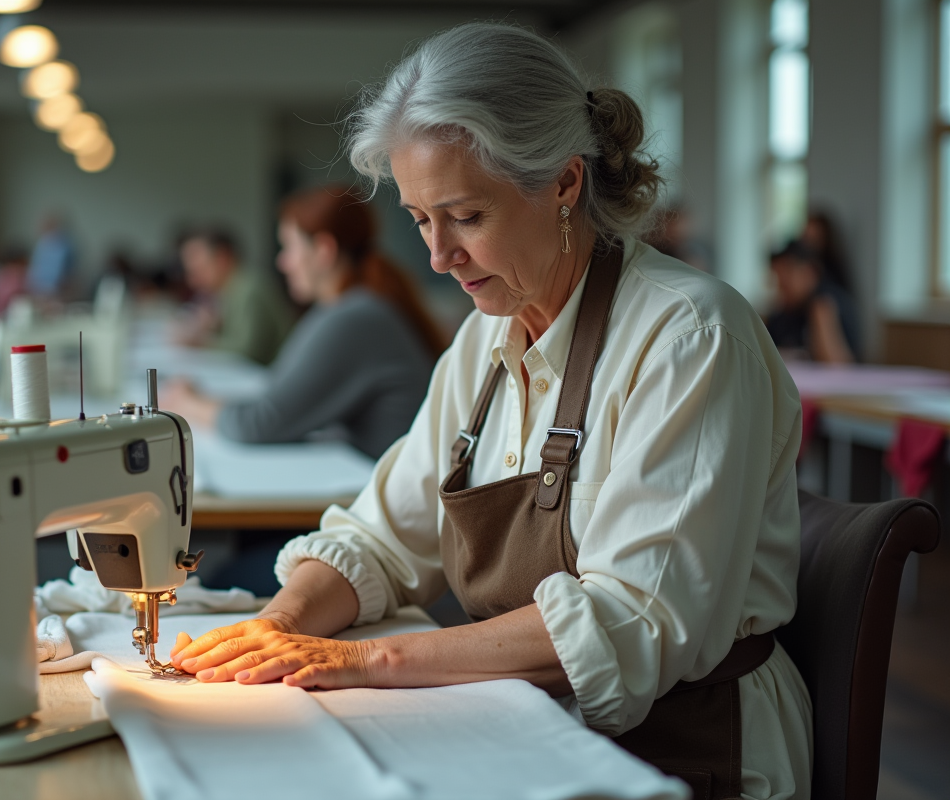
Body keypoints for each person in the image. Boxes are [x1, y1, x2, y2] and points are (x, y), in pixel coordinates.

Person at [167, 23, 811, 800]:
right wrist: (284, 623)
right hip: (537, 724)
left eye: (466, 216)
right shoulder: (488, 338)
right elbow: (379, 536)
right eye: (419, 220)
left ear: (565, 184)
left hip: (687, 753)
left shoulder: (687, 338)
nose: (438, 256)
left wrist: (369, 660)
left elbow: (630, 624)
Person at [162, 186, 443, 459]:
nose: (283, 262)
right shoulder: (356, 308)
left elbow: (260, 423)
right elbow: (276, 402)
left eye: (289, 248)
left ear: (323, 250)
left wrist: (187, 403)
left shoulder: (352, 317)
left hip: (374, 491)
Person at [173, 227, 294, 365]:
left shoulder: (249, 290)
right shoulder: (231, 289)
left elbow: (247, 351)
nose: (193, 281)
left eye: (199, 269)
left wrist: (201, 342)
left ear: (222, 259)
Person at [766, 239, 860, 363]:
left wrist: (821, 319)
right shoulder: (783, 313)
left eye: (788, 273)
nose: (782, 284)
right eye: (778, 278)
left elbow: (838, 367)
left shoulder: (831, 302)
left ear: (810, 271)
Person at [25, 214, 75, 298]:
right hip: (37, 288)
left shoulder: (64, 245)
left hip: (56, 290)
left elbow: (65, 271)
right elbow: (35, 267)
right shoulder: (41, 243)